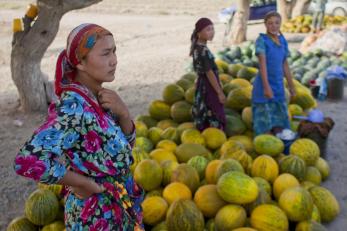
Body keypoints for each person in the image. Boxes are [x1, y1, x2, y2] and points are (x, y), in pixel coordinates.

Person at [14, 23, 144, 230]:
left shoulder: (98, 98)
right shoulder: (74, 108)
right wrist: (81, 182)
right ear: (81, 63)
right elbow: (28, 161)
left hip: (117, 206)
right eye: (105, 54)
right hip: (97, 216)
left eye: (114, 51)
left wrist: (124, 114)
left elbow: (123, 153)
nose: (114, 60)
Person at [252, 11, 296, 136]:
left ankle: (281, 149)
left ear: (280, 24)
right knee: (265, 128)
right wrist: (266, 87)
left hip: (278, 86)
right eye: (270, 23)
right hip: (263, 86)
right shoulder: (262, 40)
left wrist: (291, 86)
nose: (274, 26)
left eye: (277, 23)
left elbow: (285, 65)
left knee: (279, 126)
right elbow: (262, 65)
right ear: (265, 24)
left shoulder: (282, 40)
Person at [190, 17, 226, 132]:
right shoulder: (203, 51)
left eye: (212, 29)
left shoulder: (197, 48)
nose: (212, 32)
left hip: (202, 84)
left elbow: (199, 69)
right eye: (208, 29)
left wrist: (197, 80)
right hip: (208, 87)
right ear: (199, 33)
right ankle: (215, 137)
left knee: (205, 111)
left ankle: (207, 135)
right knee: (214, 111)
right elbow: (209, 73)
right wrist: (219, 92)